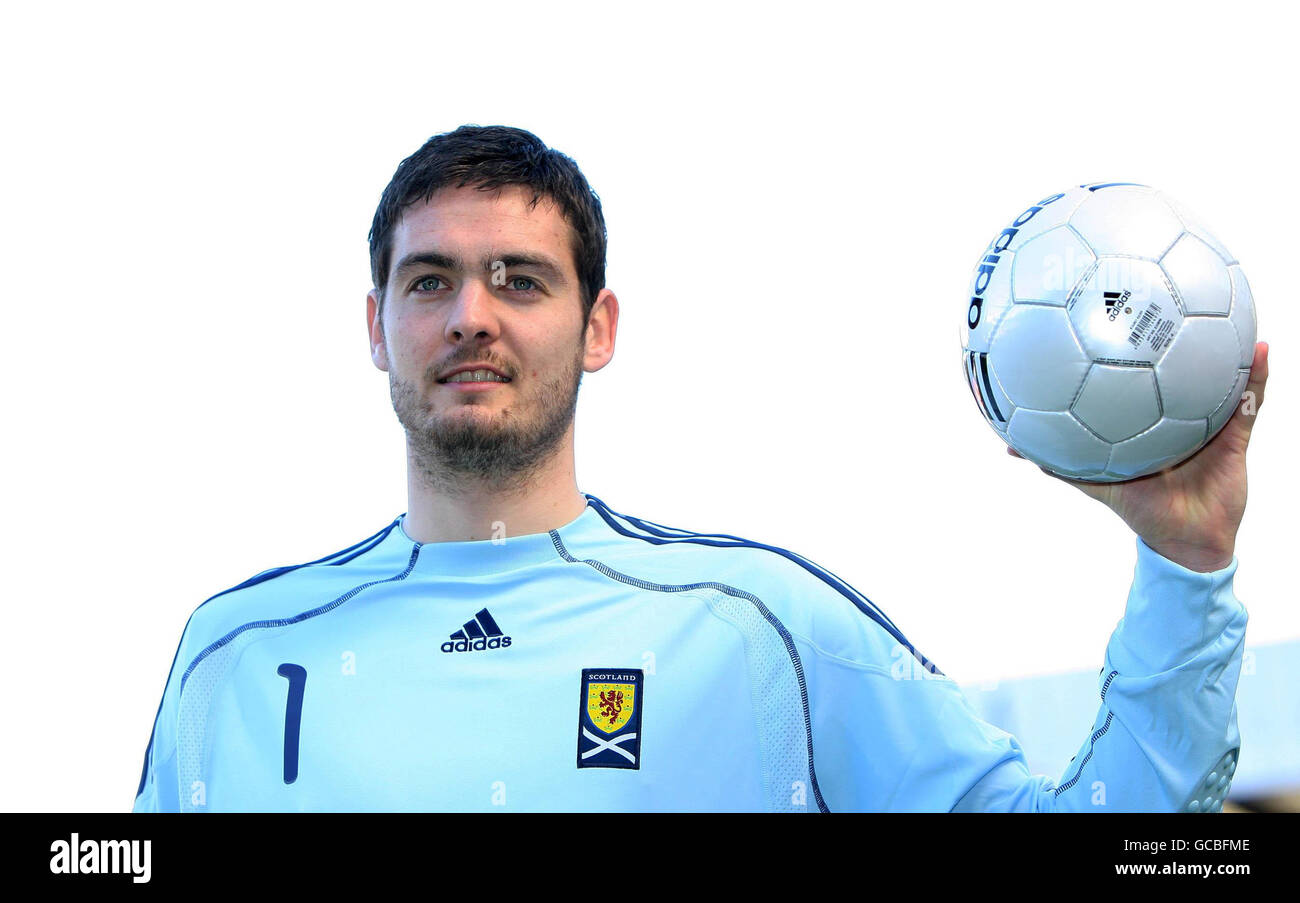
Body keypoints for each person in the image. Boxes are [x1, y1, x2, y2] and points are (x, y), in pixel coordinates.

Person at [132, 125, 1269, 812]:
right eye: (429, 282)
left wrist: (1183, 564)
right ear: (376, 327)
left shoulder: (761, 631)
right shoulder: (233, 660)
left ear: (599, 327)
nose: (470, 318)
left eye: (520, 280)